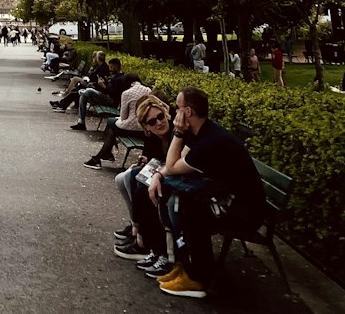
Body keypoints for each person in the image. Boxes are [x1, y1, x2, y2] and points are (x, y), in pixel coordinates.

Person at [148, 85, 265, 299]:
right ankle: (188, 266)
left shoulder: (210, 142)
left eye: (177, 107)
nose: (174, 112)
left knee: (193, 211)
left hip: (245, 211)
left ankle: (198, 278)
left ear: (188, 112)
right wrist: (159, 175)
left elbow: (172, 165)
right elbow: (174, 165)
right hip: (231, 200)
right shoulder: (204, 132)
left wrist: (178, 132)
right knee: (184, 202)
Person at [112, 93, 175, 278]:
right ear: (146, 127)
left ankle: (145, 240)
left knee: (142, 189)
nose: (158, 123)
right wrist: (146, 163)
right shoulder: (153, 137)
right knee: (135, 179)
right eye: (152, 122)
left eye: (160, 117)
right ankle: (144, 238)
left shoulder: (177, 133)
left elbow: (175, 163)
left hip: (173, 177)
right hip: (163, 173)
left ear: (166, 113)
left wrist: (156, 170)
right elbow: (154, 158)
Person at [84, 75, 152, 167]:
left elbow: (123, 117)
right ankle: (103, 155)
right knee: (113, 127)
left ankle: (100, 156)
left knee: (111, 123)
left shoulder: (126, 93)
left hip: (131, 128)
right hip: (144, 129)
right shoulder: (148, 90)